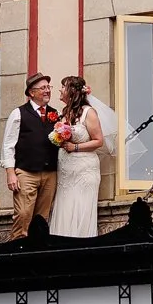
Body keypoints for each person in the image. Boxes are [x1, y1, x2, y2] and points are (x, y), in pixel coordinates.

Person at [0, 73, 60, 240]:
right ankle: (17, 247)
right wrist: (10, 173)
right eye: (43, 88)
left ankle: (37, 250)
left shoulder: (55, 114)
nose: (47, 91)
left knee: (42, 218)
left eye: (48, 87)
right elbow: (8, 145)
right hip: (26, 172)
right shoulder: (18, 113)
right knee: (23, 214)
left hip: (49, 173)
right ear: (32, 93)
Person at [47, 75, 105, 238]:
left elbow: (98, 141)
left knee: (80, 209)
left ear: (72, 91)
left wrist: (75, 147)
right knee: (65, 208)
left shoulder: (88, 112)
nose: (60, 90)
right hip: (66, 172)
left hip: (83, 171)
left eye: (63, 87)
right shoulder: (64, 113)